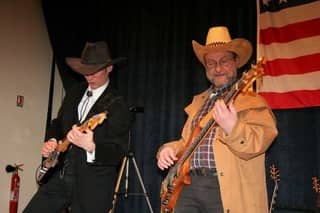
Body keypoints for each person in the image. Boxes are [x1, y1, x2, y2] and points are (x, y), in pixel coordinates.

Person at [157, 26, 278, 213]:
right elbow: (186, 142)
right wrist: (168, 149)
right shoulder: (198, 102)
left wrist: (233, 127)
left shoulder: (253, 101)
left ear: (236, 62)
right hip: (187, 186)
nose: (218, 68)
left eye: (224, 61)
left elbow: (260, 142)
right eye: (211, 63)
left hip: (227, 188)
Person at [23, 41, 132, 213]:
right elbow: (58, 123)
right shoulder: (75, 92)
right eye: (85, 71)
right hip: (62, 176)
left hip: (94, 186)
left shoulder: (118, 104)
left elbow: (119, 149)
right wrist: (51, 140)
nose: (89, 76)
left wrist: (92, 147)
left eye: (94, 71)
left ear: (109, 68)